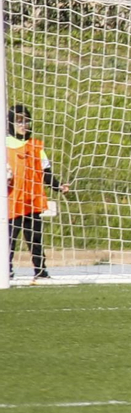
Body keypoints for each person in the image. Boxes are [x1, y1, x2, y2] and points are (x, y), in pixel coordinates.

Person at [6, 105, 69, 284]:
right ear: (10, 122)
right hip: (11, 201)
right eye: (19, 121)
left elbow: (45, 172)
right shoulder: (5, 145)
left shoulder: (35, 145)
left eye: (26, 120)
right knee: (9, 238)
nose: (23, 124)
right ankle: (6, 271)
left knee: (35, 237)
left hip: (32, 199)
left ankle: (40, 272)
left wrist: (59, 187)